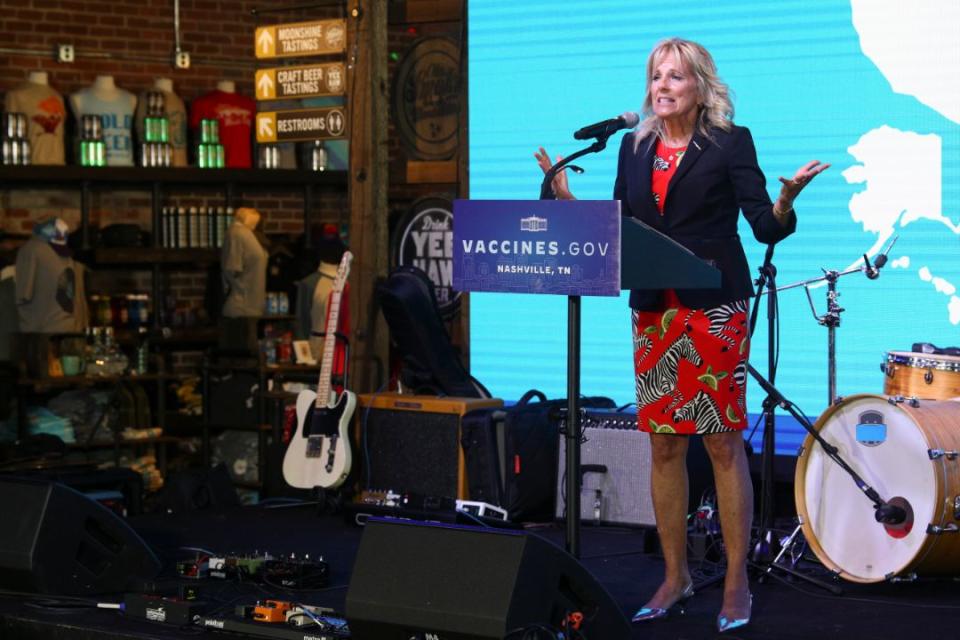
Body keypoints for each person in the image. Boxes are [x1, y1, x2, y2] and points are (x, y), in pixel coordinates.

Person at [536, 37, 828, 633]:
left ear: (700, 86)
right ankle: (675, 576)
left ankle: (737, 579)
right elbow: (621, 229)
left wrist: (787, 199)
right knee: (663, 443)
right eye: (655, 77)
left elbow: (764, 228)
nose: (661, 87)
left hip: (714, 307)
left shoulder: (729, 143)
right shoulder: (633, 146)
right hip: (654, 309)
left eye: (673, 77)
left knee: (720, 442)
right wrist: (570, 203)